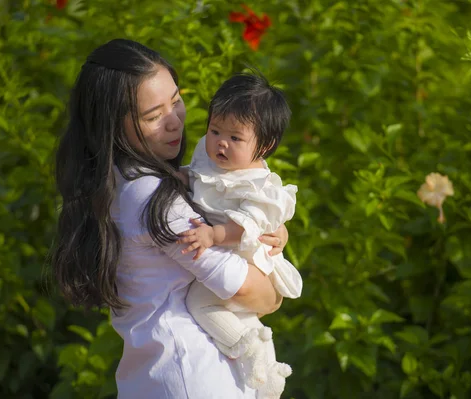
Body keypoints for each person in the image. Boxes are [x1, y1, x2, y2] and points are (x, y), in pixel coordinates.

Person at [50, 38, 289, 398]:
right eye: (153, 116)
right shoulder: (154, 201)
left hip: (154, 375)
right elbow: (248, 290)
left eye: (176, 101)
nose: (175, 121)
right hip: (195, 375)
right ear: (113, 125)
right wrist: (273, 292)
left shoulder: (113, 183)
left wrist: (265, 227)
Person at [177, 72, 303, 398]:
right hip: (227, 250)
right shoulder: (208, 156)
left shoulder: (258, 184)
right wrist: (177, 177)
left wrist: (214, 235)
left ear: (265, 146)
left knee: (200, 302)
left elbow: (248, 225)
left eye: (236, 138)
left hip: (242, 251)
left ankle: (244, 345)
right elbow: (195, 178)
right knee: (245, 316)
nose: (221, 142)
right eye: (214, 130)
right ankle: (270, 376)